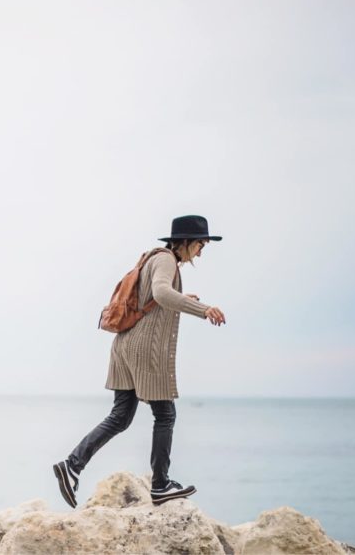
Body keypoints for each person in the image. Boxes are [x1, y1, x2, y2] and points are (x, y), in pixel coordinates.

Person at [53, 215, 226, 508]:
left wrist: (181, 297)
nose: (200, 252)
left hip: (124, 346)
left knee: (120, 416)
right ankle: (160, 484)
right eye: (200, 245)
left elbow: (155, 296)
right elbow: (161, 292)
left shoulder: (151, 258)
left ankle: (72, 465)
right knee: (165, 415)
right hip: (144, 349)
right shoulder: (167, 260)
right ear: (185, 241)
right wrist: (204, 309)